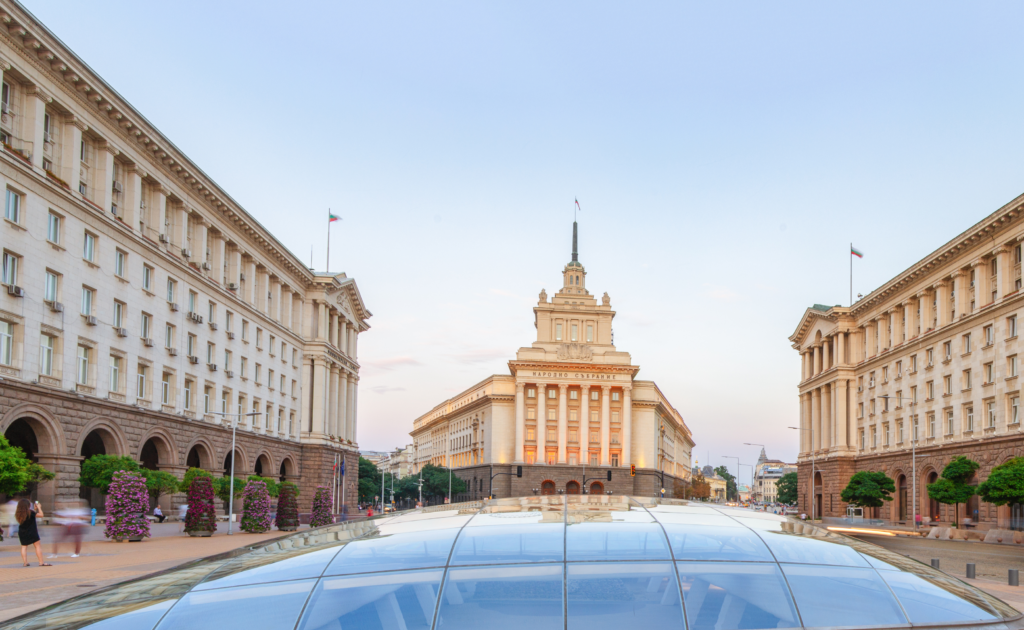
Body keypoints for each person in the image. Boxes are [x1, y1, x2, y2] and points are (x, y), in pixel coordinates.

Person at [16, 499, 51, 567]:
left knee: (24, 546)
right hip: (32, 531)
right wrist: (39, 508)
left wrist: (34, 510)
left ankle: (25, 562)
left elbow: (29, 516)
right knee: (37, 546)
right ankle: (41, 562)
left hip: (22, 532)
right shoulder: (30, 512)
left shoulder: (18, 513)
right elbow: (41, 515)